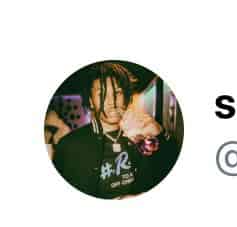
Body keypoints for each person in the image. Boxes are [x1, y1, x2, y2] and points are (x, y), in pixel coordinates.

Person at [51, 62, 179, 198]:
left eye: (118, 92)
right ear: (91, 101)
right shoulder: (69, 146)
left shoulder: (141, 133)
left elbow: (167, 168)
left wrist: (160, 133)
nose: (112, 101)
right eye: (102, 94)